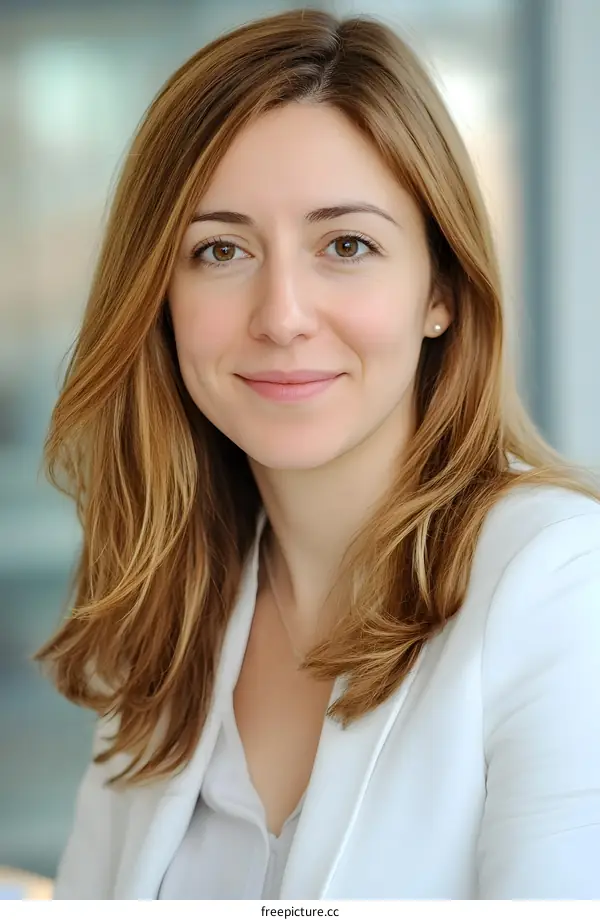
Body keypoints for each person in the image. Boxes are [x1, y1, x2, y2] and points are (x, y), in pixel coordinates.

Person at [35, 8, 600, 901]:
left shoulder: (559, 583)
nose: (282, 315)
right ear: (159, 300)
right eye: (221, 250)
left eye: (347, 245)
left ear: (441, 292)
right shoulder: (169, 616)